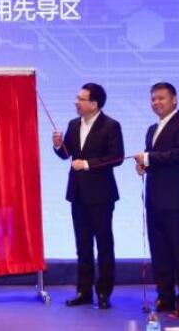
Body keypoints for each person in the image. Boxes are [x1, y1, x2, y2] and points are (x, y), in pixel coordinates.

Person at [52, 83, 124, 309]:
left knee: (104, 245)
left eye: (81, 99)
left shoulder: (111, 125)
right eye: (77, 98)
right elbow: (67, 154)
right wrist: (58, 146)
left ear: (94, 104)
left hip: (101, 195)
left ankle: (103, 292)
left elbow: (117, 157)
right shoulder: (73, 124)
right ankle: (83, 292)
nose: (76, 102)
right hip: (78, 193)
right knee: (82, 246)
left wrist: (87, 164)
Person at [134, 82, 179, 317]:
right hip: (155, 200)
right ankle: (165, 297)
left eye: (161, 98)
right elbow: (154, 160)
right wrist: (144, 166)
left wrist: (148, 159)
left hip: (177, 201)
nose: (156, 103)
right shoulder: (152, 129)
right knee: (159, 252)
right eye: (153, 99)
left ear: (174, 99)